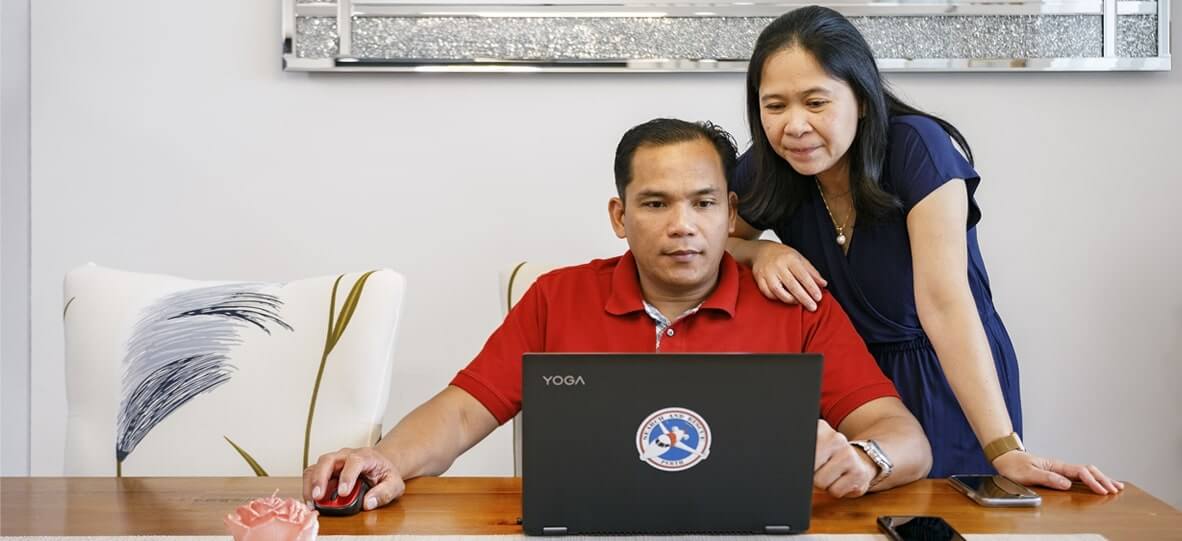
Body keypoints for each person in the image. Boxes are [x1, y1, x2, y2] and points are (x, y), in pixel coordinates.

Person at [303, 118, 932, 511]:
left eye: (703, 203)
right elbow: (466, 407)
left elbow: (902, 435)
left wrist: (867, 458)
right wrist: (382, 460)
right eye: (655, 203)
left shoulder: (795, 303)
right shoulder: (557, 296)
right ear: (618, 216)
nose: (682, 226)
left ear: (729, 212)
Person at [726, 6, 1121, 493]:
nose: (795, 125)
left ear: (863, 100)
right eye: (775, 105)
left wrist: (1004, 449)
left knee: (948, 518)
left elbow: (944, 304)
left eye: (816, 101)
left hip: (945, 371)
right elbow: (704, 239)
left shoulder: (918, 148)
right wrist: (759, 253)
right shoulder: (769, 166)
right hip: (855, 382)